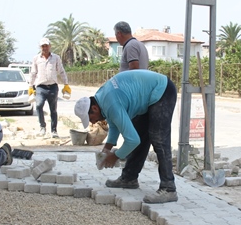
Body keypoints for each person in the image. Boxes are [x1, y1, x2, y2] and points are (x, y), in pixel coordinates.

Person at [74, 70, 178, 204]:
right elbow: (114, 122)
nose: (92, 122)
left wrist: (115, 155)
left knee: (158, 137)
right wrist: (107, 148)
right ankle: (129, 178)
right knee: (140, 132)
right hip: (148, 96)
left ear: (94, 108)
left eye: (90, 118)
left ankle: (168, 188)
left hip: (162, 90)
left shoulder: (110, 103)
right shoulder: (101, 98)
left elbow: (132, 141)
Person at [29, 37, 70, 138]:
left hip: (52, 87)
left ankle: (54, 130)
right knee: (39, 106)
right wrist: (30, 85)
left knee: (53, 110)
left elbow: (61, 71)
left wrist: (66, 84)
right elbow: (33, 72)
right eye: (43, 46)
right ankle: (42, 127)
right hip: (40, 87)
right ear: (40, 47)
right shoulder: (36, 59)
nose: (45, 48)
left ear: (50, 46)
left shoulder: (55, 58)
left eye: (46, 46)